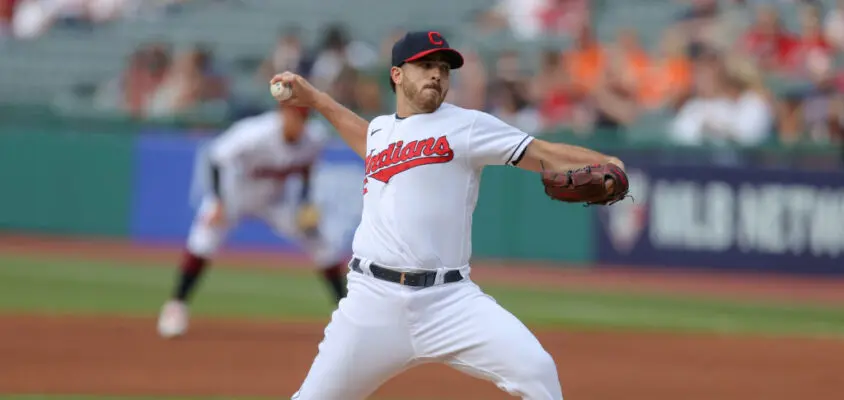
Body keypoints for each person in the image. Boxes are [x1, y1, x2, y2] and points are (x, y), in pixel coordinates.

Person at [272, 31, 626, 400]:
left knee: (536, 371)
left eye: (443, 68)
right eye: (425, 65)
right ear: (397, 74)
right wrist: (315, 99)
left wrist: (607, 162)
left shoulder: (468, 125)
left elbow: (541, 152)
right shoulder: (380, 130)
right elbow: (364, 136)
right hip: (371, 301)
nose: (437, 74)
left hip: (450, 302)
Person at [156, 103, 349, 339]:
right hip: (235, 195)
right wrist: (218, 201)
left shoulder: (314, 137)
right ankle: (176, 307)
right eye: (293, 115)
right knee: (203, 240)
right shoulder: (255, 133)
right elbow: (216, 156)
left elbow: (307, 168)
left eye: (302, 117)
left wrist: (305, 203)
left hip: (275, 201)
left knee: (321, 244)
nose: (298, 121)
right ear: (282, 114)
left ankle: (346, 312)